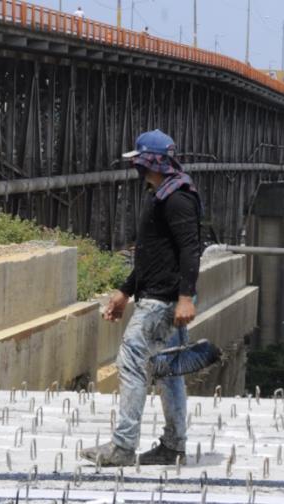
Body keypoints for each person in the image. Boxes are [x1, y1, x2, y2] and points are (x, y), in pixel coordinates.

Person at [82, 129, 203, 467]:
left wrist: (185, 297)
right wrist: (125, 290)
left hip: (162, 301)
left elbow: (190, 250)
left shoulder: (176, 197)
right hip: (159, 295)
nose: (135, 167)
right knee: (169, 370)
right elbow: (152, 254)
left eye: (138, 160)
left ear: (149, 161)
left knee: (132, 362)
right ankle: (174, 446)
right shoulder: (162, 193)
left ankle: (122, 447)